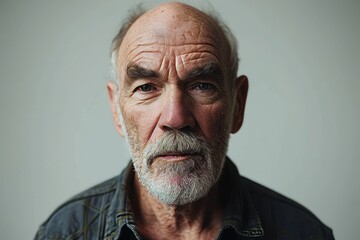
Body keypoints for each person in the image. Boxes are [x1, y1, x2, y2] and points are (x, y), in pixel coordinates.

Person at [34, 2, 334, 239]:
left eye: (202, 85)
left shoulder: (302, 233)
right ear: (116, 109)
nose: (175, 118)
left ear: (237, 105)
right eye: (146, 88)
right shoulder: (66, 233)